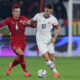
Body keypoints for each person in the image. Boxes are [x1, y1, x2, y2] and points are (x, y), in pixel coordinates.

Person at [25, 4, 60, 78]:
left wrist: (54, 37)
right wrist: (26, 22)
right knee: (46, 57)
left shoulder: (53, 19)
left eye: (50, 11)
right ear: (44, 9)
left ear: (52, 11)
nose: (48, 12)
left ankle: (51, 66)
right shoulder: (38, 16)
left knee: (52, 58)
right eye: (47, 11)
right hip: (40, 40)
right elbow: (31, 21)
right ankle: (56, 72)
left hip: (49, 40)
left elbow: (57, 28)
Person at [0, 6, 31, 77]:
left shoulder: (23, 19)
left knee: (19, 59)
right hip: (14, 42)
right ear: (13, 12)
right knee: (21, 54)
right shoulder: (9, 20)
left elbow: (32, 25)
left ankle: (11, 65)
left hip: (23, 42)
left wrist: (31, 23)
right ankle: (25, 72)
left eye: (19, 11)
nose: (18, 13)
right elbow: (1, 25)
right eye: (16, 11)